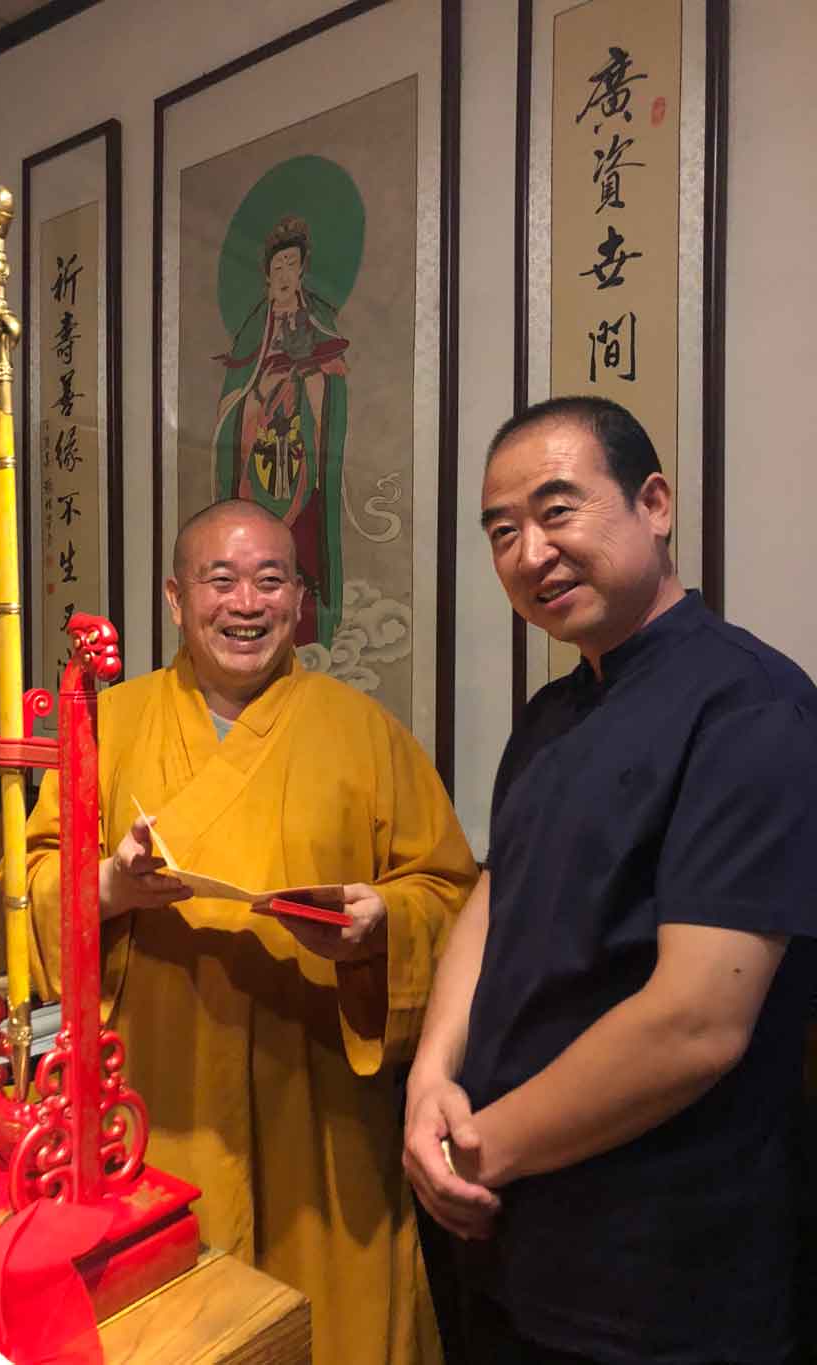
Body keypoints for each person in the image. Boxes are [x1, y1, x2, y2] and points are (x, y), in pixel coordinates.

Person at [404, 395, 817, 1365]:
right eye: (502, 532)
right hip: (511, 1233)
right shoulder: (552, 712)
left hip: (659, 1272)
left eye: (557, 511)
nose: (530, 553)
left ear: (654, 504)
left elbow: (695, 1024)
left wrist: (480, 1148)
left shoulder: (750, 707)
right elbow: (497, 894)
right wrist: (429, 1077)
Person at [24, 498, 477, 1365]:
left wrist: (383, 923)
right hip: (159, 1097)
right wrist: (111, 886)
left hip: (318, 1106)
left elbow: (450, 892)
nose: (245, 602)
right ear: (175, 597)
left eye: (271, 580)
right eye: (220, 579)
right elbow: (33, 882)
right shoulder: (110, 723)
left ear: (300, 600)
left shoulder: (366, 732)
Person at [212, 214, 349, 647]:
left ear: (302, 269)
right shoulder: (256, 328)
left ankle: (309, 634)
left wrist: (309, 380)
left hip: (302, 456)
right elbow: (233, 398)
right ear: (267, 276)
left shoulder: (318, 320)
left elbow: (334, 381)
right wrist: (260, 391)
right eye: (278, 266)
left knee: (302, 547)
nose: (285, 274)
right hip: (259, 456)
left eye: (292, 264)